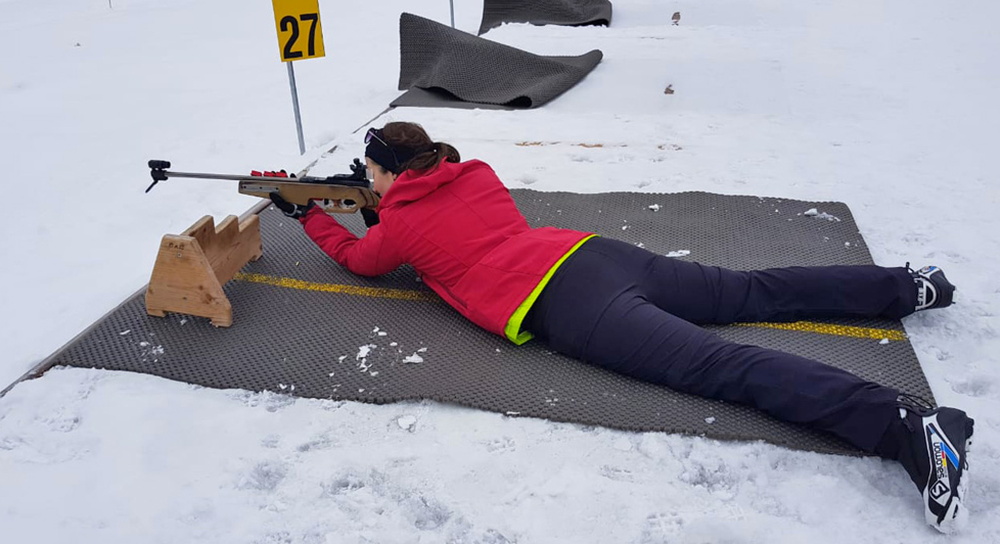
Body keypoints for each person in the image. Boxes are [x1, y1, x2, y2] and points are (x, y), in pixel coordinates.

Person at [270, 122, 974, 533]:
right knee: (750, 292)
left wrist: (311, 216)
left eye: (370, 169)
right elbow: (428, 220)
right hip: (591, 253)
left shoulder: (401, 222)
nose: (365, 175)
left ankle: (907, 429)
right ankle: (906, 287)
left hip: (572, 307)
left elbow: (367, 262)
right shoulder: (472, 174)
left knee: (724, 368)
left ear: (390, 173)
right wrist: (376, 200)